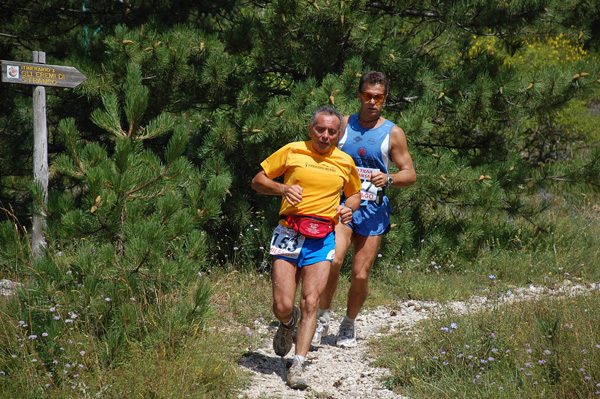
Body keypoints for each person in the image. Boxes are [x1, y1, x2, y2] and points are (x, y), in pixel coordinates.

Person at [251, 105, 362, 389]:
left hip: (323, 236)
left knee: (311, 301)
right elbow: (258, 180)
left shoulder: (345, 162)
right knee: (282, 305)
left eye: (332, 131)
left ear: (339, 134)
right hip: (289, 231)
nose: (325, 136)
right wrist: (282, 189)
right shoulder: (292, 151)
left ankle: (298, 365)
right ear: (311, 129)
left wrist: (348, 209)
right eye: (320, 129)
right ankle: (288, 323)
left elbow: (354, 195)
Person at [313, 71, 416, 348]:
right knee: (333, 261)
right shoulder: (344, 124)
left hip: (374, 211)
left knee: (360, 273)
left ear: (384, 99)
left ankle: (348, 323)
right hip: (345, 206)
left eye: (378, 97)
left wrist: (390, 178)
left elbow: (410, 174)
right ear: (359, 96)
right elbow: (320, 150)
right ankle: (321, 319)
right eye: (367, 96)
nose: (372, 102)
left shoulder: (393, 132)